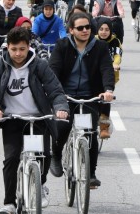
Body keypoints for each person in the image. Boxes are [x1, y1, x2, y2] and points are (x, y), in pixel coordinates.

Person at [0, 26, 69, 214]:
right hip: (12, 119)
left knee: (44, 155)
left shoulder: (39, 65)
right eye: (14, 49)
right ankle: (9, 203)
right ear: (8, 48)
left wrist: (61, 108)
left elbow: (55, 91)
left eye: (22, 49)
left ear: (29, 47)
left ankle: (41, 183)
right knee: (11, 158)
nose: (18, 54)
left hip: (38, 119)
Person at [48, 12, 115, 188]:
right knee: (62, 125)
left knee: (90, 133)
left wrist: (108, 90)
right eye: (80, 28)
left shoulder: (100, 47)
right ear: (71, 30)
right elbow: (53, 70)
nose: (85, 30)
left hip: (90, 96)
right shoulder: (62, 46)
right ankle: (56, 154)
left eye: (88, 27)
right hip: (65, 96)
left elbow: (107, 69)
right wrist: (55, 93)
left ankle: (91, 173)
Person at [95, 18, 122, 139]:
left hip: (108, 76)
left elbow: (117, 55)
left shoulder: (115, 41)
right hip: (92, 75)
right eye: (101, 29)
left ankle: (104, 126)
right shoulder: (92, 40)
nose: (104, 32)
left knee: (105, 98)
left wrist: (115, 64)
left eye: (107, 30)